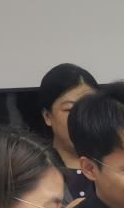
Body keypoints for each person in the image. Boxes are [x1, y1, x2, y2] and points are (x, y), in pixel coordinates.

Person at [25, 62, 98, 200]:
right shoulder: (31, 171)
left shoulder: (114, 164)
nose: (80, 117)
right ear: (47, 116)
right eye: (69, 109)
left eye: (89, 107)